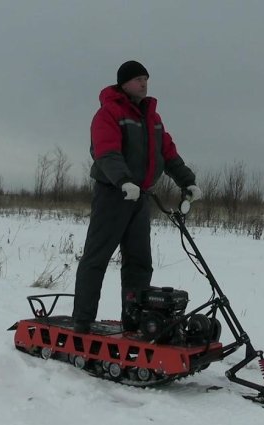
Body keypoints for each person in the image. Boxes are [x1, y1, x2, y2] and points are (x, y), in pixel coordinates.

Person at [72, 60, 201, 333]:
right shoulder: (109, 113)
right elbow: (106, 152)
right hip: (113, 194)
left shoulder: (152, 119)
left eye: (146, 78)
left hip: (140, 198)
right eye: (138, 79)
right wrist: (123, 180)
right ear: (124, 83)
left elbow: (168, 154)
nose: (144, 83)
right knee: (97, 257)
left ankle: (134, 321)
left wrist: (187, 182)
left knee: (139, 262)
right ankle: (82, 321)